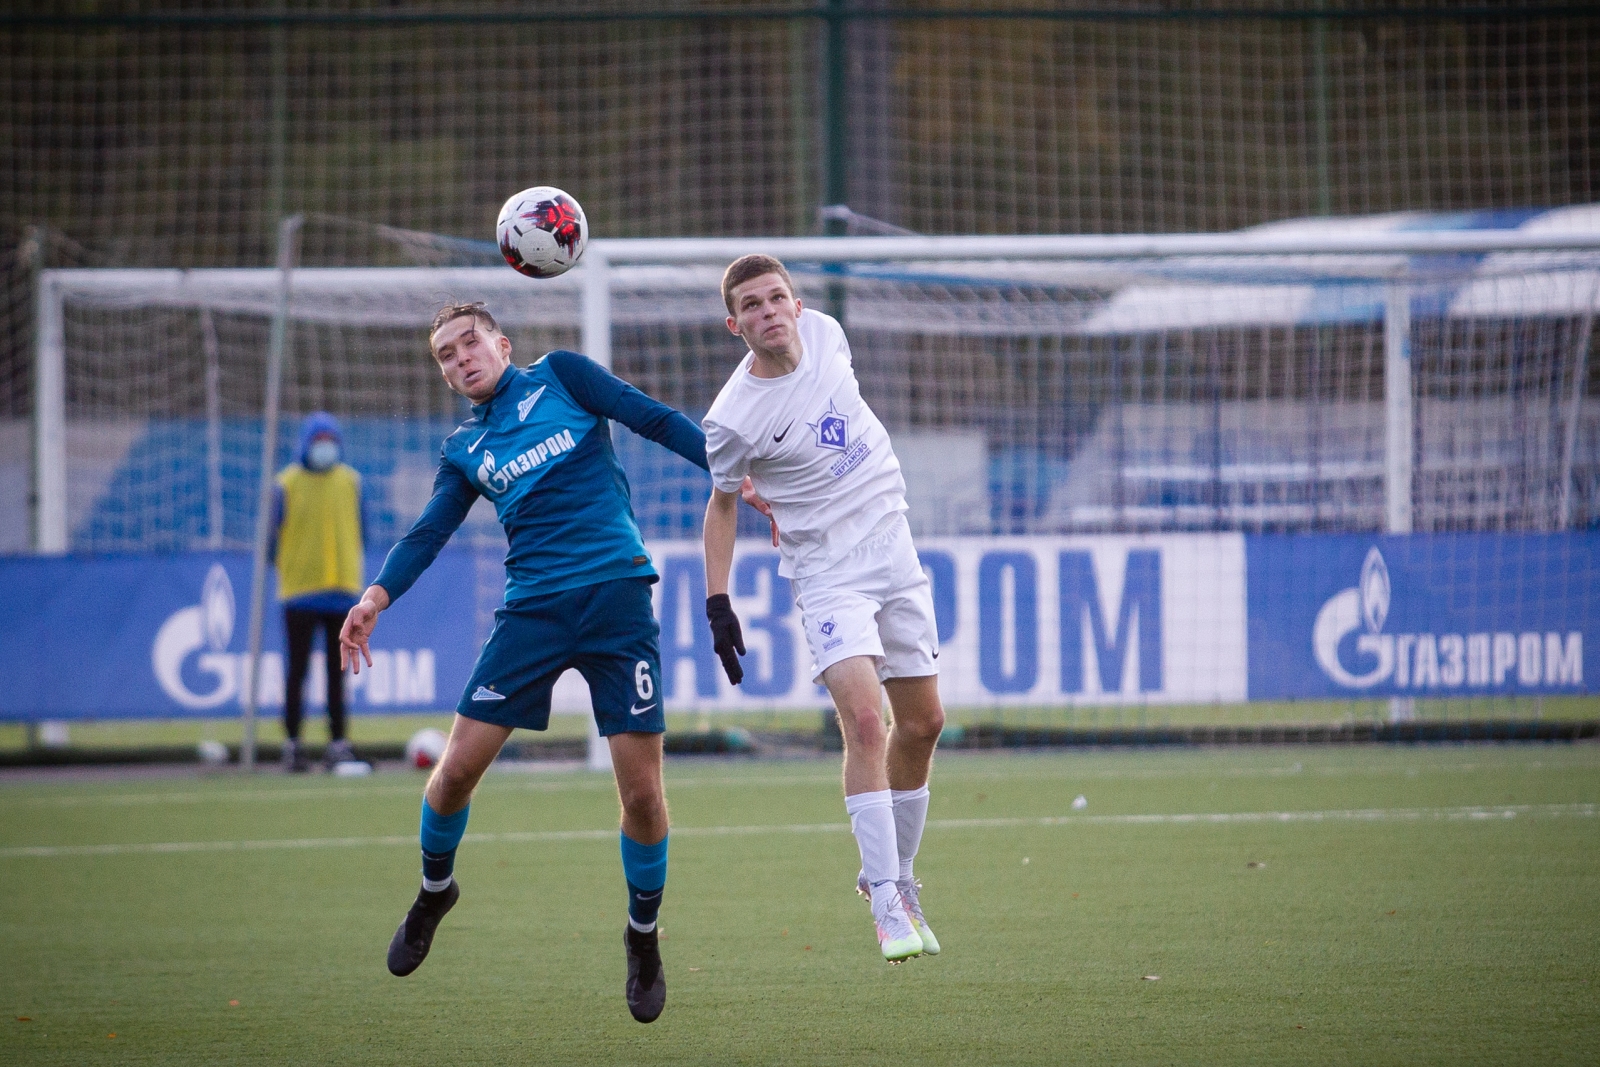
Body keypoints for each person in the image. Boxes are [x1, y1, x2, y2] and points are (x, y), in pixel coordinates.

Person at [340, 302, 709, 1023]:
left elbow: (655, 419)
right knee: (453, 772)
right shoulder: (464, 448)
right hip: (532, 614)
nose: (461, 358)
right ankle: (435, 890)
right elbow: (428, 532)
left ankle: (642, 936)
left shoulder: (563, 376)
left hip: (616, 600)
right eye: (446, 355)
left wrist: (734, 475)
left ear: (502, 345)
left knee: (642, 795)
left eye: (470, 343)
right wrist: (375, 596)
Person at [701, 255, 946, 964]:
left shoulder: (829, 333)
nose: (768, 311)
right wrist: (718, 600)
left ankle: (898, 876)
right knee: (867, 723)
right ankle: (886, 901)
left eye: (776, 297)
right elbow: (722, 503)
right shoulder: (731, 418)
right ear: (735, 325)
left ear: (797, 304)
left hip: (894, 543)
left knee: (924, 724)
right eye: (751, 305)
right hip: (828, 572)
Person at [272, 411, 367, 773]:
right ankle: (293, 743)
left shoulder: (351, 482)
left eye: (330, 441)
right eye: (319, 441)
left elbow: (362, 530)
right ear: (305, 444)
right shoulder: (286, 484)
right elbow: (271, 539)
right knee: (297, 671)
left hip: (343, 592)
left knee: (337, 673)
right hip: (300, 592)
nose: (325, 447)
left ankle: (338, 743)